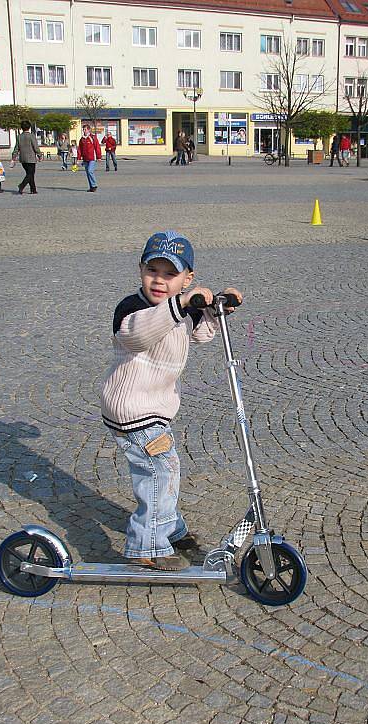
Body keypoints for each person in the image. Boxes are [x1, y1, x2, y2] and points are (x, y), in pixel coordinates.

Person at [101, 231, 242, 570]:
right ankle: (146, 546)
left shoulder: (181, 308)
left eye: (170, 275)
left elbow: (202, 334)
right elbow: (138, 335)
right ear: (140, 270)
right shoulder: (132, 308)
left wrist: (217, 308)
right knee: (160, 469)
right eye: (153, 271)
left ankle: (170, 527)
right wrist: (179, 304)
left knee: (165, 468)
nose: (159, 281)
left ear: (187, 278)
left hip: (154, 406)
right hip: (131, 407)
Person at [13, 120, 43, 195]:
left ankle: (33, 189)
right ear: (29, 127)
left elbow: (16, 148)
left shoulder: (19, 136)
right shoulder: (31, 136)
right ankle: (22, 185)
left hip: (23, 158)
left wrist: (14, 157)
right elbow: (35, 147)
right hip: (31, 158)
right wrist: (39, 155)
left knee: (29, 174)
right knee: (30, 174)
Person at [77, 124, 102, 191]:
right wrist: (79, 158)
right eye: (83, 129)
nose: (84, 131)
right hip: (85, 158)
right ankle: (91, 187)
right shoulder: (82, 139)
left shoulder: (93, 137)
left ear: (89, 130)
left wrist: (99, 157)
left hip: (92, 158)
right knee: (88, 173)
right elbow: (79, 149)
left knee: (90, 171)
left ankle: (94, 185)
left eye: (85, 129)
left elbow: (97, 147)